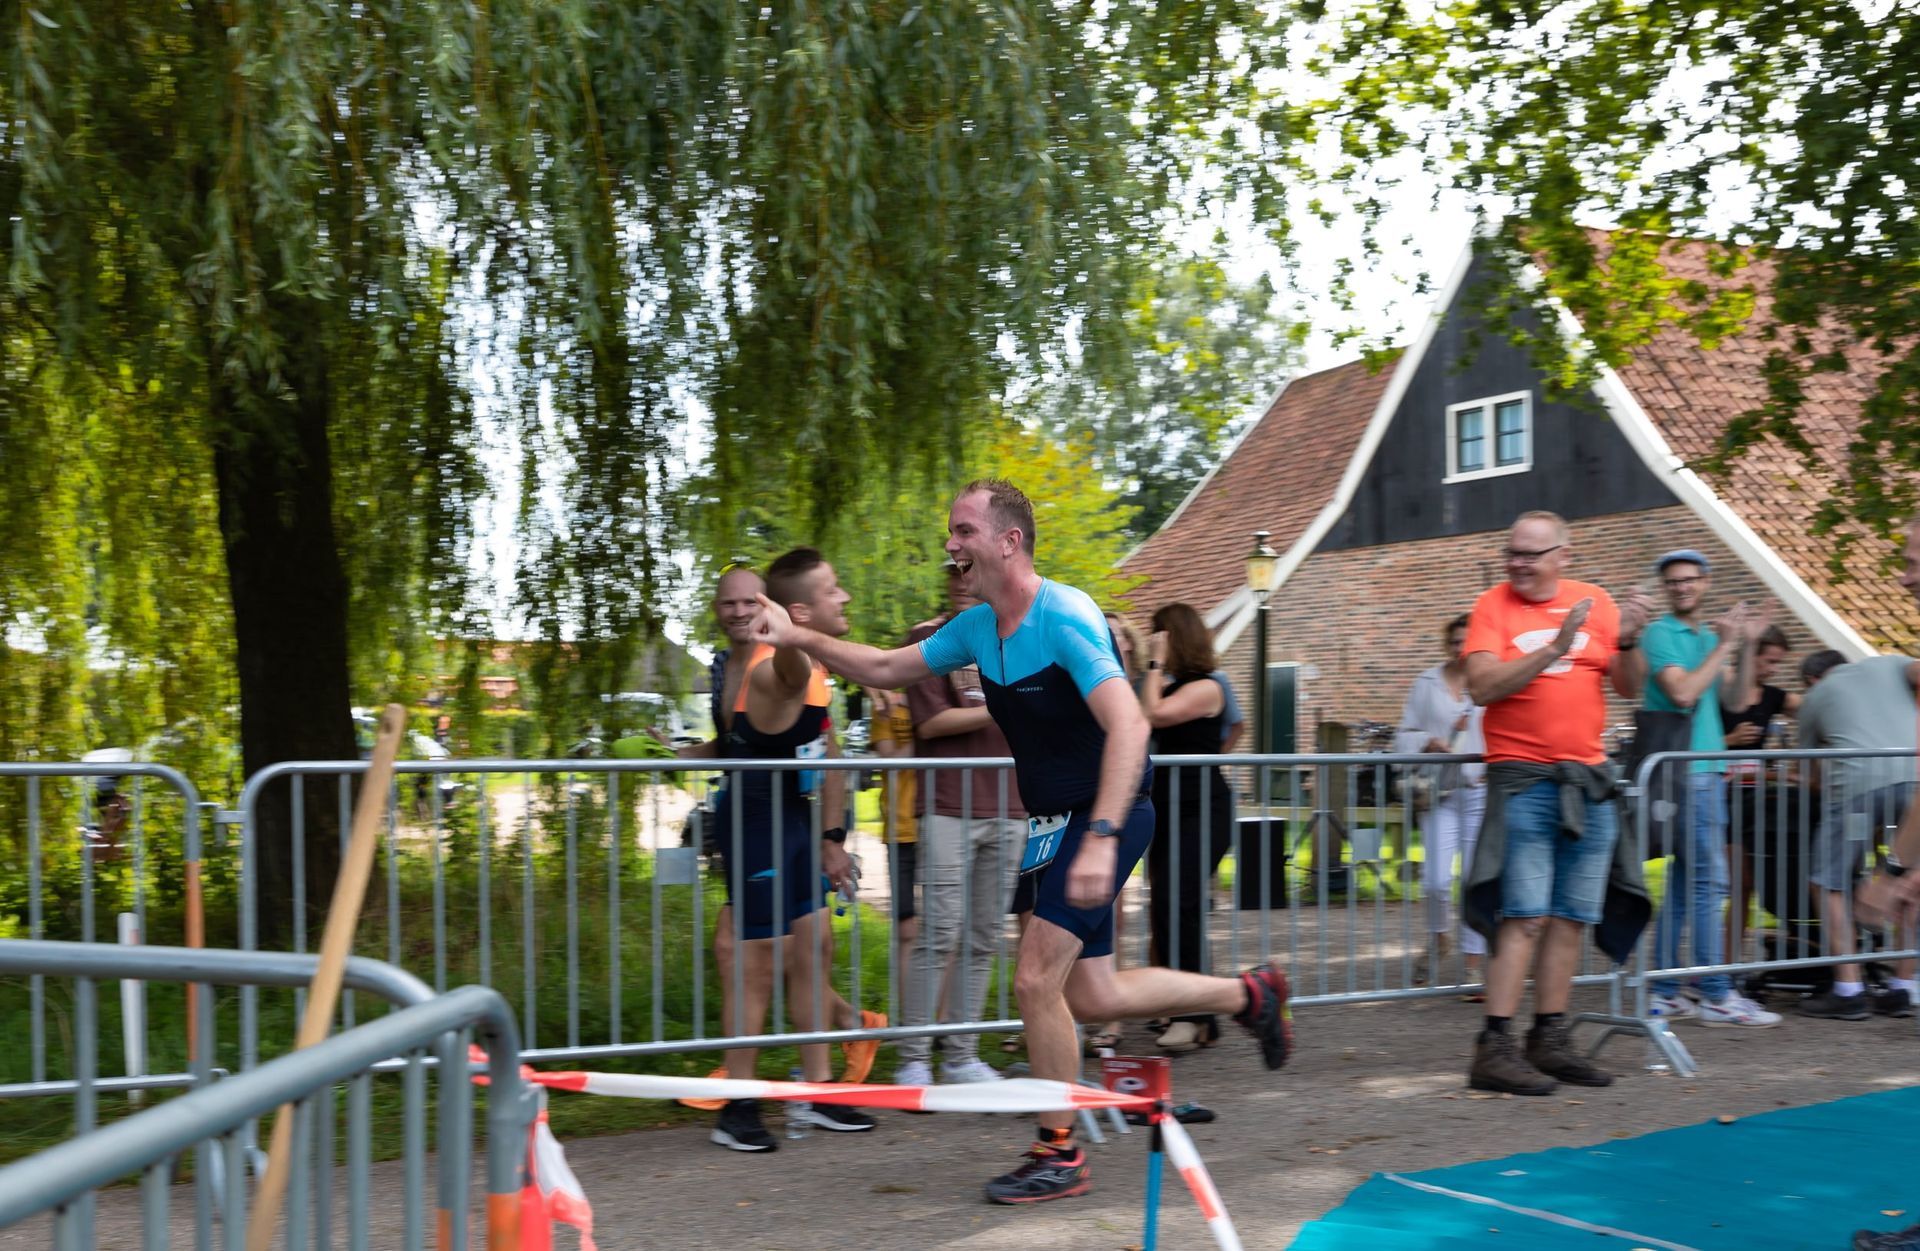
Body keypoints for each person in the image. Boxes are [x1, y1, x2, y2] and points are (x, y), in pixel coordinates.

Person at [748, 479, 1292, 1204]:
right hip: (1053, 825)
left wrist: (1100, 836)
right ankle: (1249, 994)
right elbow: (882, 666)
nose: (951, 543)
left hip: (1106, 812)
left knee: (1034, 978)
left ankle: (1058, 1150)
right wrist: (797, 636)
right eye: (951, 531)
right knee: (1089, 994)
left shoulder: (1065, 616)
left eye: (963, 529)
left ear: (1008, 541)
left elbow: (1130, 725)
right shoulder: (977, 629)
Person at [672, 566, 881, 1115]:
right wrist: (670, 755)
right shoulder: (728, 667)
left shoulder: (786, 662)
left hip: (796, 823)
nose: (740, 612)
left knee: (811, 954)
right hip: (751, 823)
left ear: (769, 605)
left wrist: (832, 837)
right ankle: (740, 1097)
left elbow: (825, 750)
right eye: (729, 603)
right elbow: (731, 747)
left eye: (750, 602)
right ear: (716, 610)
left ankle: (816, 1088)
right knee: (750, 959)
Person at [1460, 510, 1656, 1096]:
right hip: (1524, 780)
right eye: (1512, 552)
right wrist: (1554, 649)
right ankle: (1494, 1046)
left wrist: (1628, 639)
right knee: (1524, 915)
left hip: (1588, 780)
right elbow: (1481, 687)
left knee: (1573, 916)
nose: (1518, 563)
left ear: (1563, 556)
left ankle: (1549, 1037)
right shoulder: (1492, 606)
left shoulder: (1595, 599)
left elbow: (1631, 685)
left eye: (1531, 554)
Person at [895, 558, 1027, 1088]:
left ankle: (962, 1055)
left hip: (1012, 804)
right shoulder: (929, 638)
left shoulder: (1021, 634)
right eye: (953, 571)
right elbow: (933, 722)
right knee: (940, 932)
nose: (961, 579)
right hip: (949, 805)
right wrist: (1008, 704)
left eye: (970, 570)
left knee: (983, 936)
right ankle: (912, 1059)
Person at [1639, 551, 1781, 1028]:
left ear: (1705, 583)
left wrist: (1745, 646)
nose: (1681, 588)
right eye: (1672, 582)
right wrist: (1726, 644)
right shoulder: (1661, 633)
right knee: (1708, 883)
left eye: (1689, 580)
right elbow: (1682, 693)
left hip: (1704, 771)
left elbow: (1737, 700)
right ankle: (1716, 993)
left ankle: (1664, 991)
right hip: (1687, 774)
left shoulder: (1704, 636)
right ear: (1666, 589)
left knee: (1685, 885)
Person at [1792, 645, 1920, 1021]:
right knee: (1908, 879)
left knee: (1828, 882)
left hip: (1859, 792)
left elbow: (1811, 774)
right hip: (1912, 783)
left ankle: (1848, 988)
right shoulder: (1888, 663)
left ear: (1813, 679)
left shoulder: (1814, 696)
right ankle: (1903, 984)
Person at [1138, 602, 1237, 1052]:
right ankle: (1198, 1015)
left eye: (1159, 635)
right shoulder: (1174, 684)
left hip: (1202, 809)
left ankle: (1193, 1014)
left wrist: (1154, 663)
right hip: (1167, 807)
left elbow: (1154, 714)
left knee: (1180, 904)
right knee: (1167, 907)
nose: (1151, 643)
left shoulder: (1208, 687)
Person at [1394, 613, 1488, 993]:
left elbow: (1510, 730)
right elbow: (1402, 737)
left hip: (1479, 790)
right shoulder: (1427, 684)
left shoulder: (1490, 681)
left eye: (1467, 641)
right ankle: (1438, 937)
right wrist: (1427, 743)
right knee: (1435, 880)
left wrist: (1493, 766)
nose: (1460, 648)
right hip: (1438, 793)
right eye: (1453, 642)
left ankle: (1473, 964)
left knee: (1472, 880)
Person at [1720, 623, 1799, 966]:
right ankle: (1718, 967)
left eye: (1777, 664)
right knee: (1732, 884)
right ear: (1749, 654)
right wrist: (1729, 742)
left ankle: (1730, 965)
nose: (1772, 670)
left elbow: (1819, 709)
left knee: (1747, 885)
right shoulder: (1719, 689)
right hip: (1721, 795)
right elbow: (1688, 740)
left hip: (1758, 801)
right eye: (1768, 661)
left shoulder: (1774, 696)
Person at [865, 685, 922, 995]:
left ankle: (941, 1021)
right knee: (906, 928)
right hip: (901, 829)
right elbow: (889, 759)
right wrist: (925, 729)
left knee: (944, 928)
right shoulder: (887, 704)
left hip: (943, 822)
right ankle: (910, 1020)